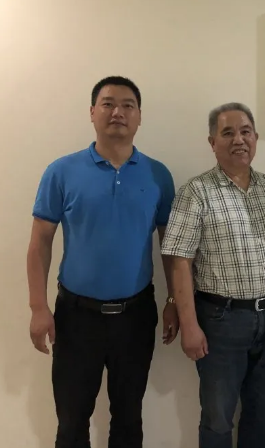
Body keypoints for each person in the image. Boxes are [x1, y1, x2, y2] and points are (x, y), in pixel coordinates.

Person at [27, 76, 178, 448]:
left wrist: (174, 301)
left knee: (128, 419)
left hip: (136, 316)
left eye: (128, 105)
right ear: (92, 112)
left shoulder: (158, 175)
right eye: (108, 103)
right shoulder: (61, 172)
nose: (118, 112)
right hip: (76, 317)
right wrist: (38, 307)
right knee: (71, 421)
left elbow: (171, 247)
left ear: (139, 116)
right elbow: (40, 242)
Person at [160, 102, 265, 448]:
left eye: (245, 132)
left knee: (263, 413)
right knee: (218, 418)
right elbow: (180, 261)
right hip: (221, 321)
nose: (238, 140)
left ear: (256, 137)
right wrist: (189, 324)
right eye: (228, 133)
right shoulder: (196, 192)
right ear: (212, 142)